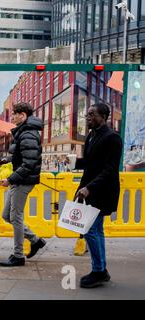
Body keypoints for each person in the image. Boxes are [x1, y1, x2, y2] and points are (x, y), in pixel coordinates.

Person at [71, 103, 122, 288]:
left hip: (102, 190)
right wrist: (76, 162)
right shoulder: (91, 135)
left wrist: (89, 188)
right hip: (90, 190)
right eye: (87, 114)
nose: (88, 117)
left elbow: (109, 169)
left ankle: (99, 271)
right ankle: (101, 270)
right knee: (96, 230)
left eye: (92, 114)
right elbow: (92, 163)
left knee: (90, 230)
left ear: (104, 117)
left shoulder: (112, 138)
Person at [0, 102, 47, 267]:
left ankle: (18, 256)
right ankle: (35, 240)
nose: (12, 117)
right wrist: (7, 159)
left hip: (22, 181)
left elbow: (29, 163)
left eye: (15, 114)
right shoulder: (24, 133)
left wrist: (10, 179)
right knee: (7, 216)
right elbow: (22, 156)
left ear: (23, 115)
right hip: (19, 180)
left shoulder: (27, 134)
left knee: (16, 217)